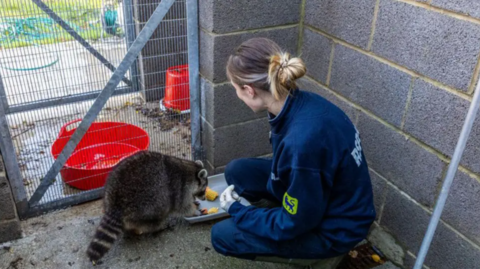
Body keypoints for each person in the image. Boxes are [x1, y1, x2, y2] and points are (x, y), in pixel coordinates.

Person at [211, 37, 376, 265]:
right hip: (322, 194)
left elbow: (294, 221)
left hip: (335, 228)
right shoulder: (299, 102)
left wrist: (239, 210)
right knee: (237, 171)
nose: (237, 95)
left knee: (222, 235)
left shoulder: (302, 142)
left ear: (249, 90)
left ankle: (319, 257)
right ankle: (275, 216)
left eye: (236, 89)